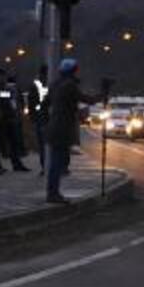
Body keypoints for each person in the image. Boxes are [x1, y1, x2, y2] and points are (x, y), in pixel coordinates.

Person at [45, 58, 99, 204]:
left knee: (58, 162)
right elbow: (86, 100)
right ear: (73, 70)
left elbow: (50, 103)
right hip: (61, 128)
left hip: (54, 126)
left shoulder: (55, 84)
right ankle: (53, 193)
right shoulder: (69, 86)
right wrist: (102, 94)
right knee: (57, 163)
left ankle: (53, 192)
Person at [0, 68, 29, 172]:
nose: (4, 79)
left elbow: (11, 102)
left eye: (4, 76)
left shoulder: (6, 89)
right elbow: (1, 101)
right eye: (2, 76)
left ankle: (16, 163)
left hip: (9, 119)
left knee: (14, 142)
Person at [26, 65, 51, 175]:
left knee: (43, 144)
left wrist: (32, 117)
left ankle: (45, 166)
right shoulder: (51, 83)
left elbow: (30, 103)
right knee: (48, 143)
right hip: (47, 117)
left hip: (40, 117)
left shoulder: (35, 85)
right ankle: (48, 166)